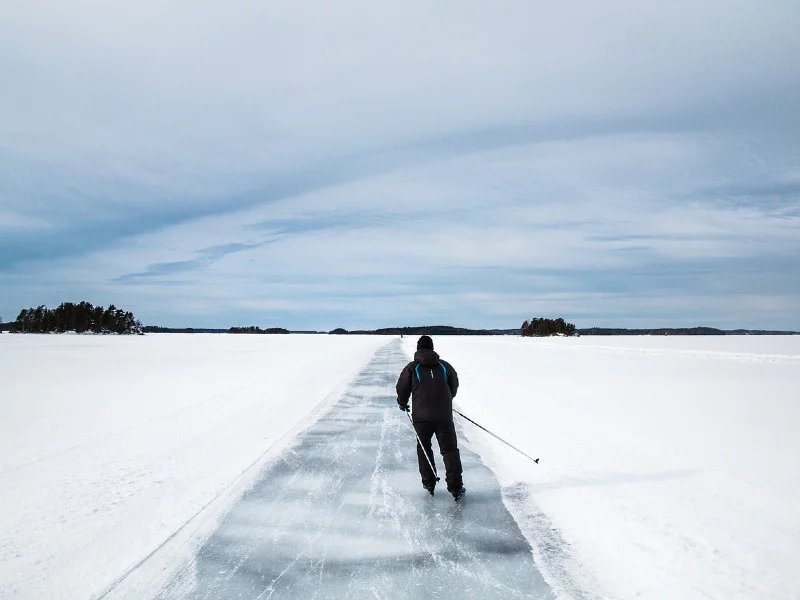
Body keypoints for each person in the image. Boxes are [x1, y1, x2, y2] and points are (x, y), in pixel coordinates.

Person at [396, 335, 465, 501]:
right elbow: (453, 386)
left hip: (421, 418)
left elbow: (402, 388)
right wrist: (447, 400)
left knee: (424, 448)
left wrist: (402, 402)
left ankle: (429, 483)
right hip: (444, 416)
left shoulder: (412, 367)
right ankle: (455, 487)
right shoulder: (444, 366)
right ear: (432, 348)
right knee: (450, 450)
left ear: (418, 349)